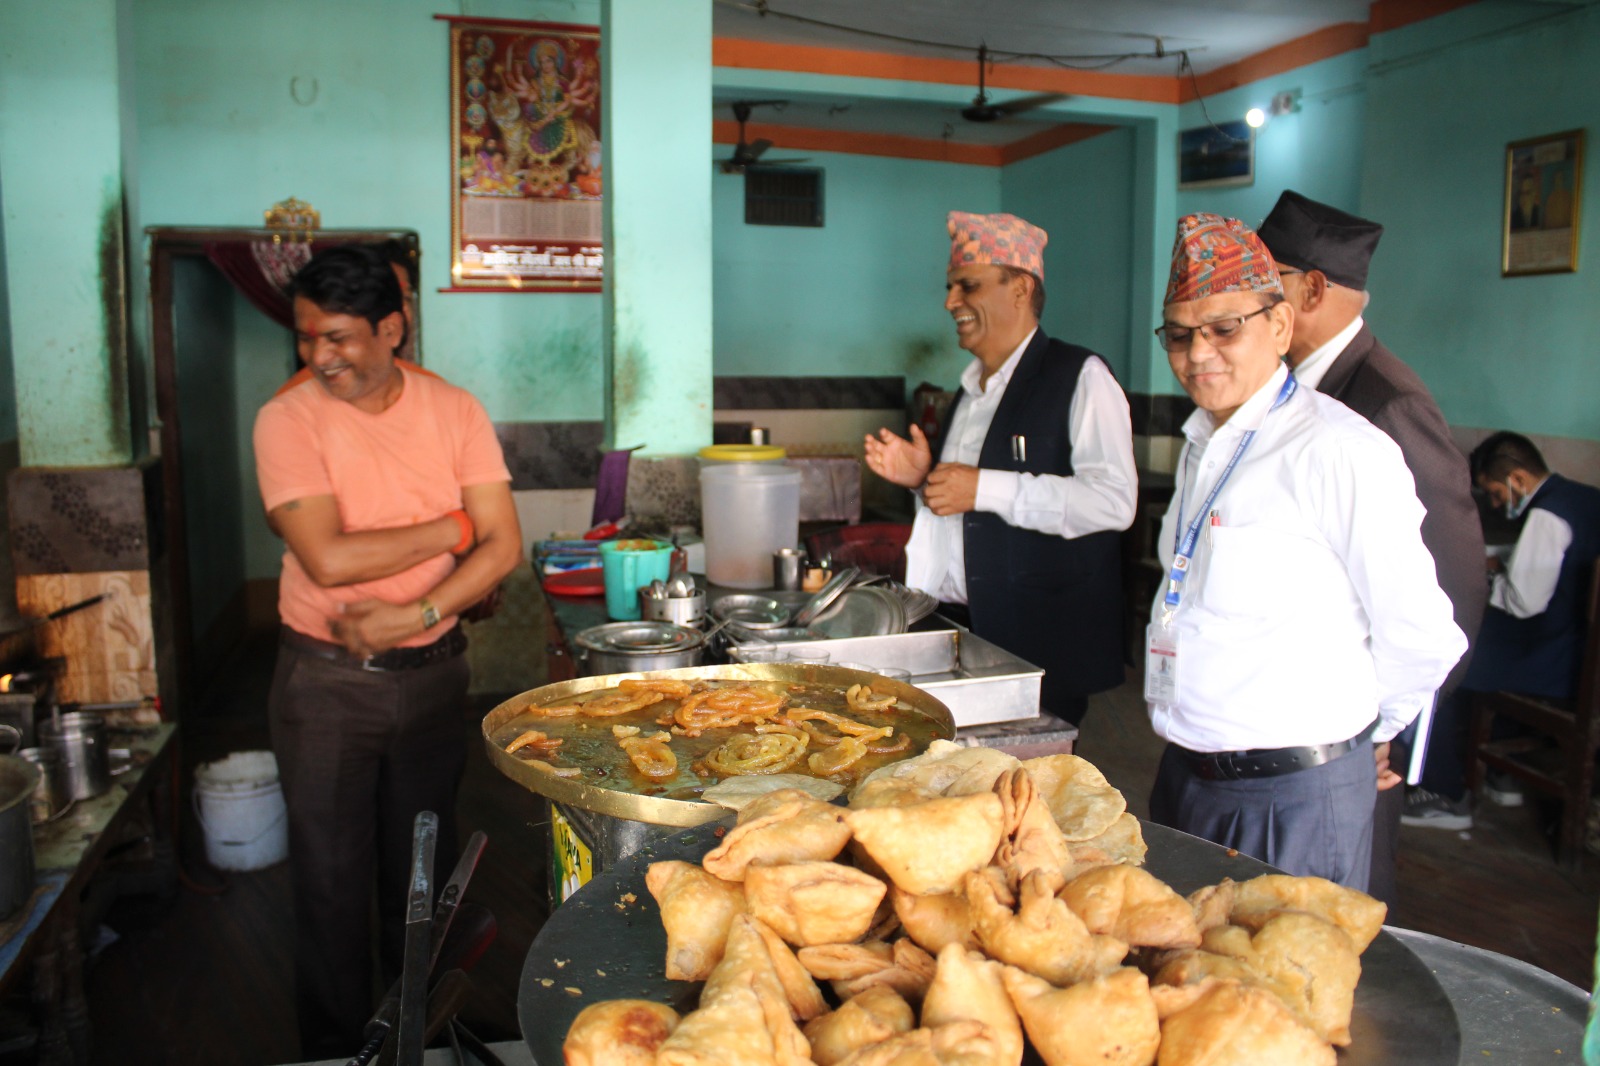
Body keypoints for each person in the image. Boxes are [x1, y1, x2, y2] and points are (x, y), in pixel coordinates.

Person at [253, 244, 522, 1057]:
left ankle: (420, 1037)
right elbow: (329, 559)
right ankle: (342, 1050)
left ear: (392, 329)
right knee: (330, 884)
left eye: (338, 337)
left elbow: (505, 546)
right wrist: (453, 528)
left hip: (434, 676)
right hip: (327, 685)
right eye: (307, 337)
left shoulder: (454, 410)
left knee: (422, 881)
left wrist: (418, 612)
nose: (319, 356)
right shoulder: (287, 419)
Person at [1146, 213, 1465, 891]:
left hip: (1291, 797)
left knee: (1283, 960)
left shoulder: (1338, 451)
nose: (1198, 352)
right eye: (1179, 334)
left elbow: (1423, 634)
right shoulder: (1205, 444)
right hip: (1189, 777)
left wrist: (1361, 737)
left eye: (1224, 328)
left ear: (1281, 326)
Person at [1256, 190, 1486, 901]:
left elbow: (1454, 585)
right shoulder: (1284, 388)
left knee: (1330, 913)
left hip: (1345, 734)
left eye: (1265, 281)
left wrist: (1387, 724)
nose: (1250, 300)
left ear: (1311, 289)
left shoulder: (1386, 402)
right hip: (1277, 709)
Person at [863, 211, 1137, 726]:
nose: (951, 302)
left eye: (968, 286)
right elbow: (968, 501)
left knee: (1029, 772)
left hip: (1039, 643)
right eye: (950, 288)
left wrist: (983, 488)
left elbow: (1112, 502)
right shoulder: (972, 390)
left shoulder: (1080, 376)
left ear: (1020, 289)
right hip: (960, 629)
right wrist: (926, 479)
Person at [1403, 432, 1600, 826]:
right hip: (1583, 656)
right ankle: (1501, 774)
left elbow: (1524, 601)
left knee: (1439, 664)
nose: (1495, 503)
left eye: (1495, 493)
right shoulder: (1586, 497)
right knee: (1485, 648)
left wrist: (1482, 580)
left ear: (1518, 479)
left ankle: (1445, 793)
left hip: (1551, 658)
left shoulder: (1546, 516)